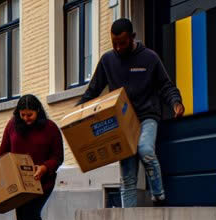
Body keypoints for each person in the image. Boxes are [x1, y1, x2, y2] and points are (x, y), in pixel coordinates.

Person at [77, 18, 183, 207]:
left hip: (147, 116)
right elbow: (93, 90)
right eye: (114, 43)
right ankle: (128, 218)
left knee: (145, 150)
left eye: (122, 43)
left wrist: (176, 102)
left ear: (133, 37)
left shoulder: (149, 58)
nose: (118, 48)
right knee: (127, 174)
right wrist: (76, 114)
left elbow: (166, 86)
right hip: (122, 122)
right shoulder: (107, 60)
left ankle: (158, 195)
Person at [0, 94, 64, 220]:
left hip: (43, 182)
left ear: (38, 111)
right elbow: (3, 152)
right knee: (21, 217)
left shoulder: (50, 128)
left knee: (31, 213)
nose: (26, 118)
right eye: (22, 115)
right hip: (20, 183)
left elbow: (58, 157)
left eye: (30, 114)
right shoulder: (12, 126)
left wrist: (45, 167)